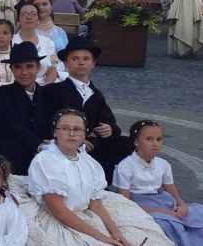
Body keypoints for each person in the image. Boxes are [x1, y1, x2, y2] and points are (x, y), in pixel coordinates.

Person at [22, 110, 201, 246]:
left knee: (137, 243)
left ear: (84, 134)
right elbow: (59, 210)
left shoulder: (89, 163)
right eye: (65, 128)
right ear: (55, 132)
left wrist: (114, 231)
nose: (71, 133)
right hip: (59, 218)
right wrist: (101, 237)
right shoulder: (46, 161)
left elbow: (96, 205)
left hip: (86, 213)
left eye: (77, 129)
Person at [41, 36, 134, 182]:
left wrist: (110, 129)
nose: (81, 62)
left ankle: (102, 182)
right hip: (62, 141)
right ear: (65, 64)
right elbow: (45, 120)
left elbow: (109, 121)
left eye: (86, 58)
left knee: (126, 143)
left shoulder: (96, 95)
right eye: (75, 59)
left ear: (93, 64)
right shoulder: (54, 90)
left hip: (89, 144)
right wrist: (75, 138)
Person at [115, 121, 203, 246]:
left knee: (200, 211)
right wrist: (162, 212)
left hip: (162, 200)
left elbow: (171, 189)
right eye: (149, 139)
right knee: (166, 223)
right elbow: (125, 202)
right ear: (136, 142)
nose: (155, 144)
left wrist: (181, 204)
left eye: (159, 139)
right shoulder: (125, 166)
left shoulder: (163, 164)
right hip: (140, 205)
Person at [0, 42, 51, 175]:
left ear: (38, 67)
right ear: (11, 69)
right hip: (6, 157)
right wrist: (39, 145)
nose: (24, 72)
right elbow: (11, 126)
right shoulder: (2, 94)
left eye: (29, 66)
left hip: (41, 156)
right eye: (18, 67)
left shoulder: (48, 95)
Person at [13, 2, 60, 85]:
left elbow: (53, 67)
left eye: (33, 14)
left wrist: (45, 87)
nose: (29, 17)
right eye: (24, 14)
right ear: (18, 21)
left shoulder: (48, 43)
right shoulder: (10, 41)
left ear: (38, 20)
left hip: (44, 86)